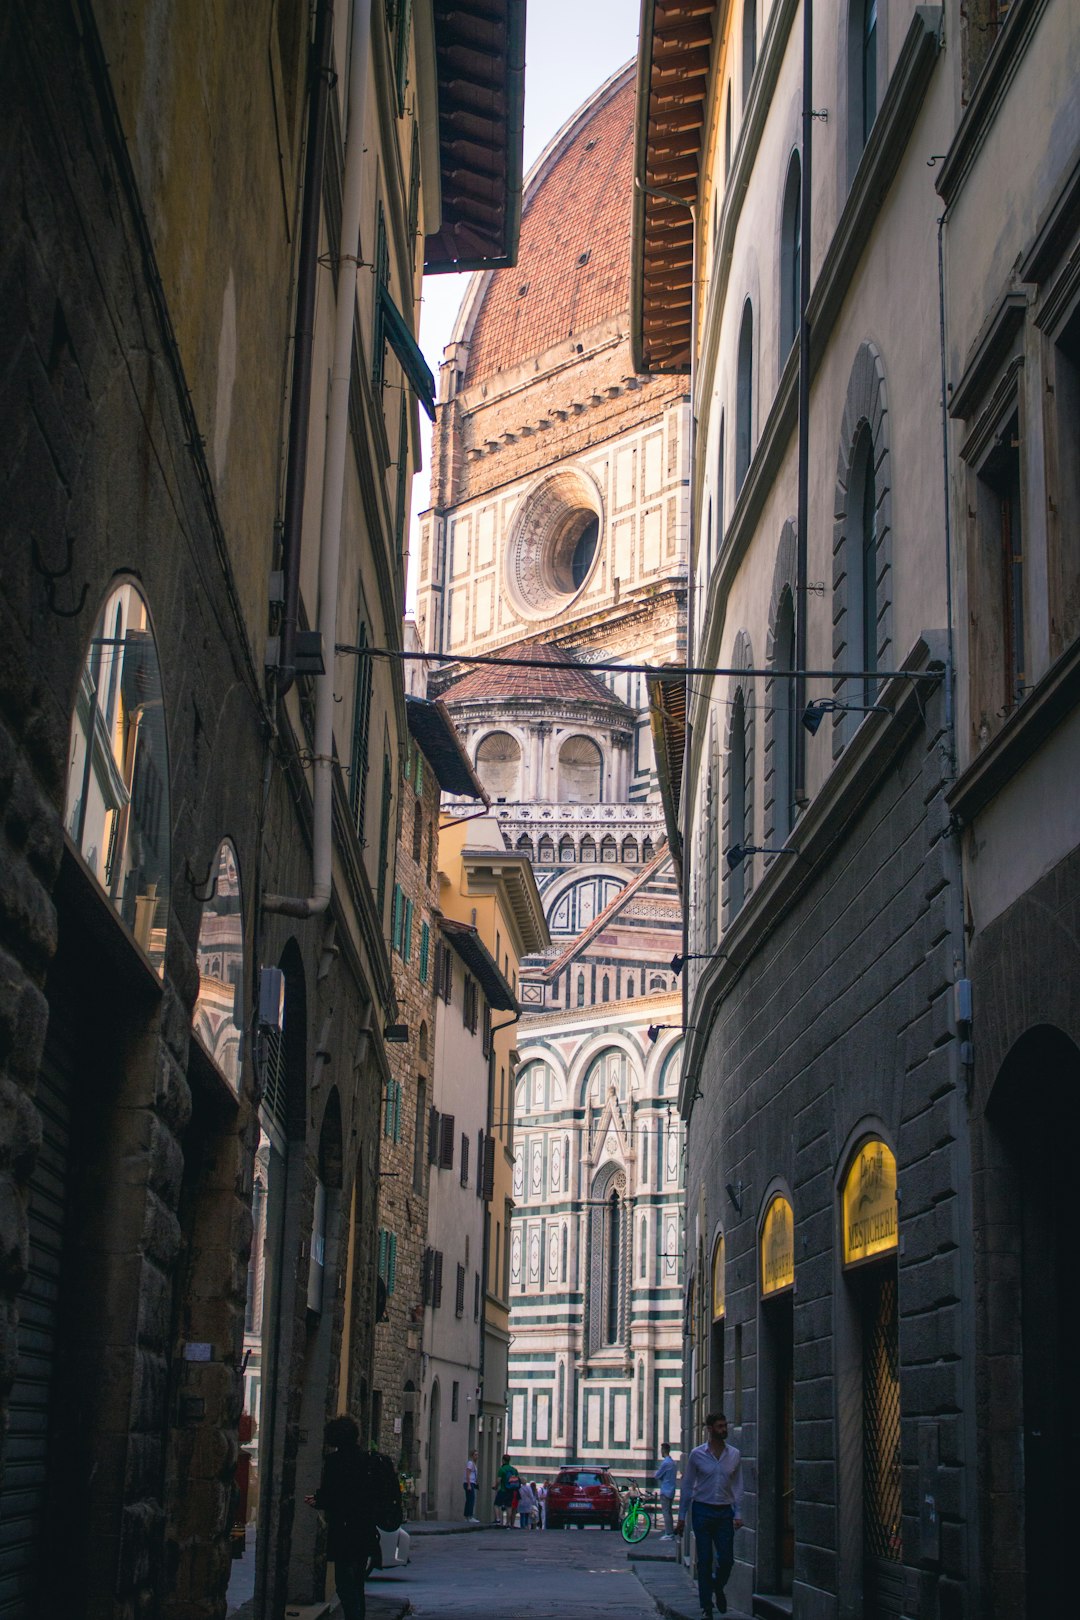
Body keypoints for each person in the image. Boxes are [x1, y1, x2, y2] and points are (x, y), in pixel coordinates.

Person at [307, 1415, 378, 1620]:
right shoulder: (368, 1461)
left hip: (344, 1530)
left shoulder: (334, 1462)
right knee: (357, 1583)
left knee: (343, 1583)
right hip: (364, 1529)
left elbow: (333, 1496)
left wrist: (317, 1500)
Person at [676, 1411, 743, 1618]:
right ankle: (706, 1606)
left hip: (724, 1512)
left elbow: (738, 1485)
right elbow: (687, 1486)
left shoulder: (734, 1454)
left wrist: (738, 1513)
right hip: (702, 1510)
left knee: (727, 1559)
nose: (724, 1430)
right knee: (704, 1560)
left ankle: (717, 1586)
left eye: (725, 1425)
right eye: (720, 1426)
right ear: (710, 1429)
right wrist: (681, 1517)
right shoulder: (697, 1454)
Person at [655, 1441, 678, 1539]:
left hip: (665, 1490)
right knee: (669, 1512)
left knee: (666, 1512)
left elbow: (657, 1475)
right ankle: (670, 1532)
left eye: (661, 1450)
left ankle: (669, 1533)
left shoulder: (665, 1463)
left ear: (664, 1450)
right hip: (672, 1490)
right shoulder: (673, 1462)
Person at [493, 1453, 520, 1527]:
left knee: (496, 1504)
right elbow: (517, 1480)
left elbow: (499, 1480)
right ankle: (508, 1523)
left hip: (503, 1490)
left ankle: (498, 1519)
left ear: (503, 1460)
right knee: (509, 1506)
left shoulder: (502, 1469)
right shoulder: (514, 1470)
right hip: (511, 1491)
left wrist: (495, 1486)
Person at [463, 1449, 479, 1521]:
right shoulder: (470, 1463)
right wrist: (469, 1484)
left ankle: (467, 1516)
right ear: (472, 1456)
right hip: (469, 1483)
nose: (477, 1456)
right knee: (471, 1499)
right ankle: (469, 1516)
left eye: (477, 1455)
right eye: (475, 1455)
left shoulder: (473, 1464)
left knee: (469, 1499)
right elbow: (467, 1473)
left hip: (472, 1482)